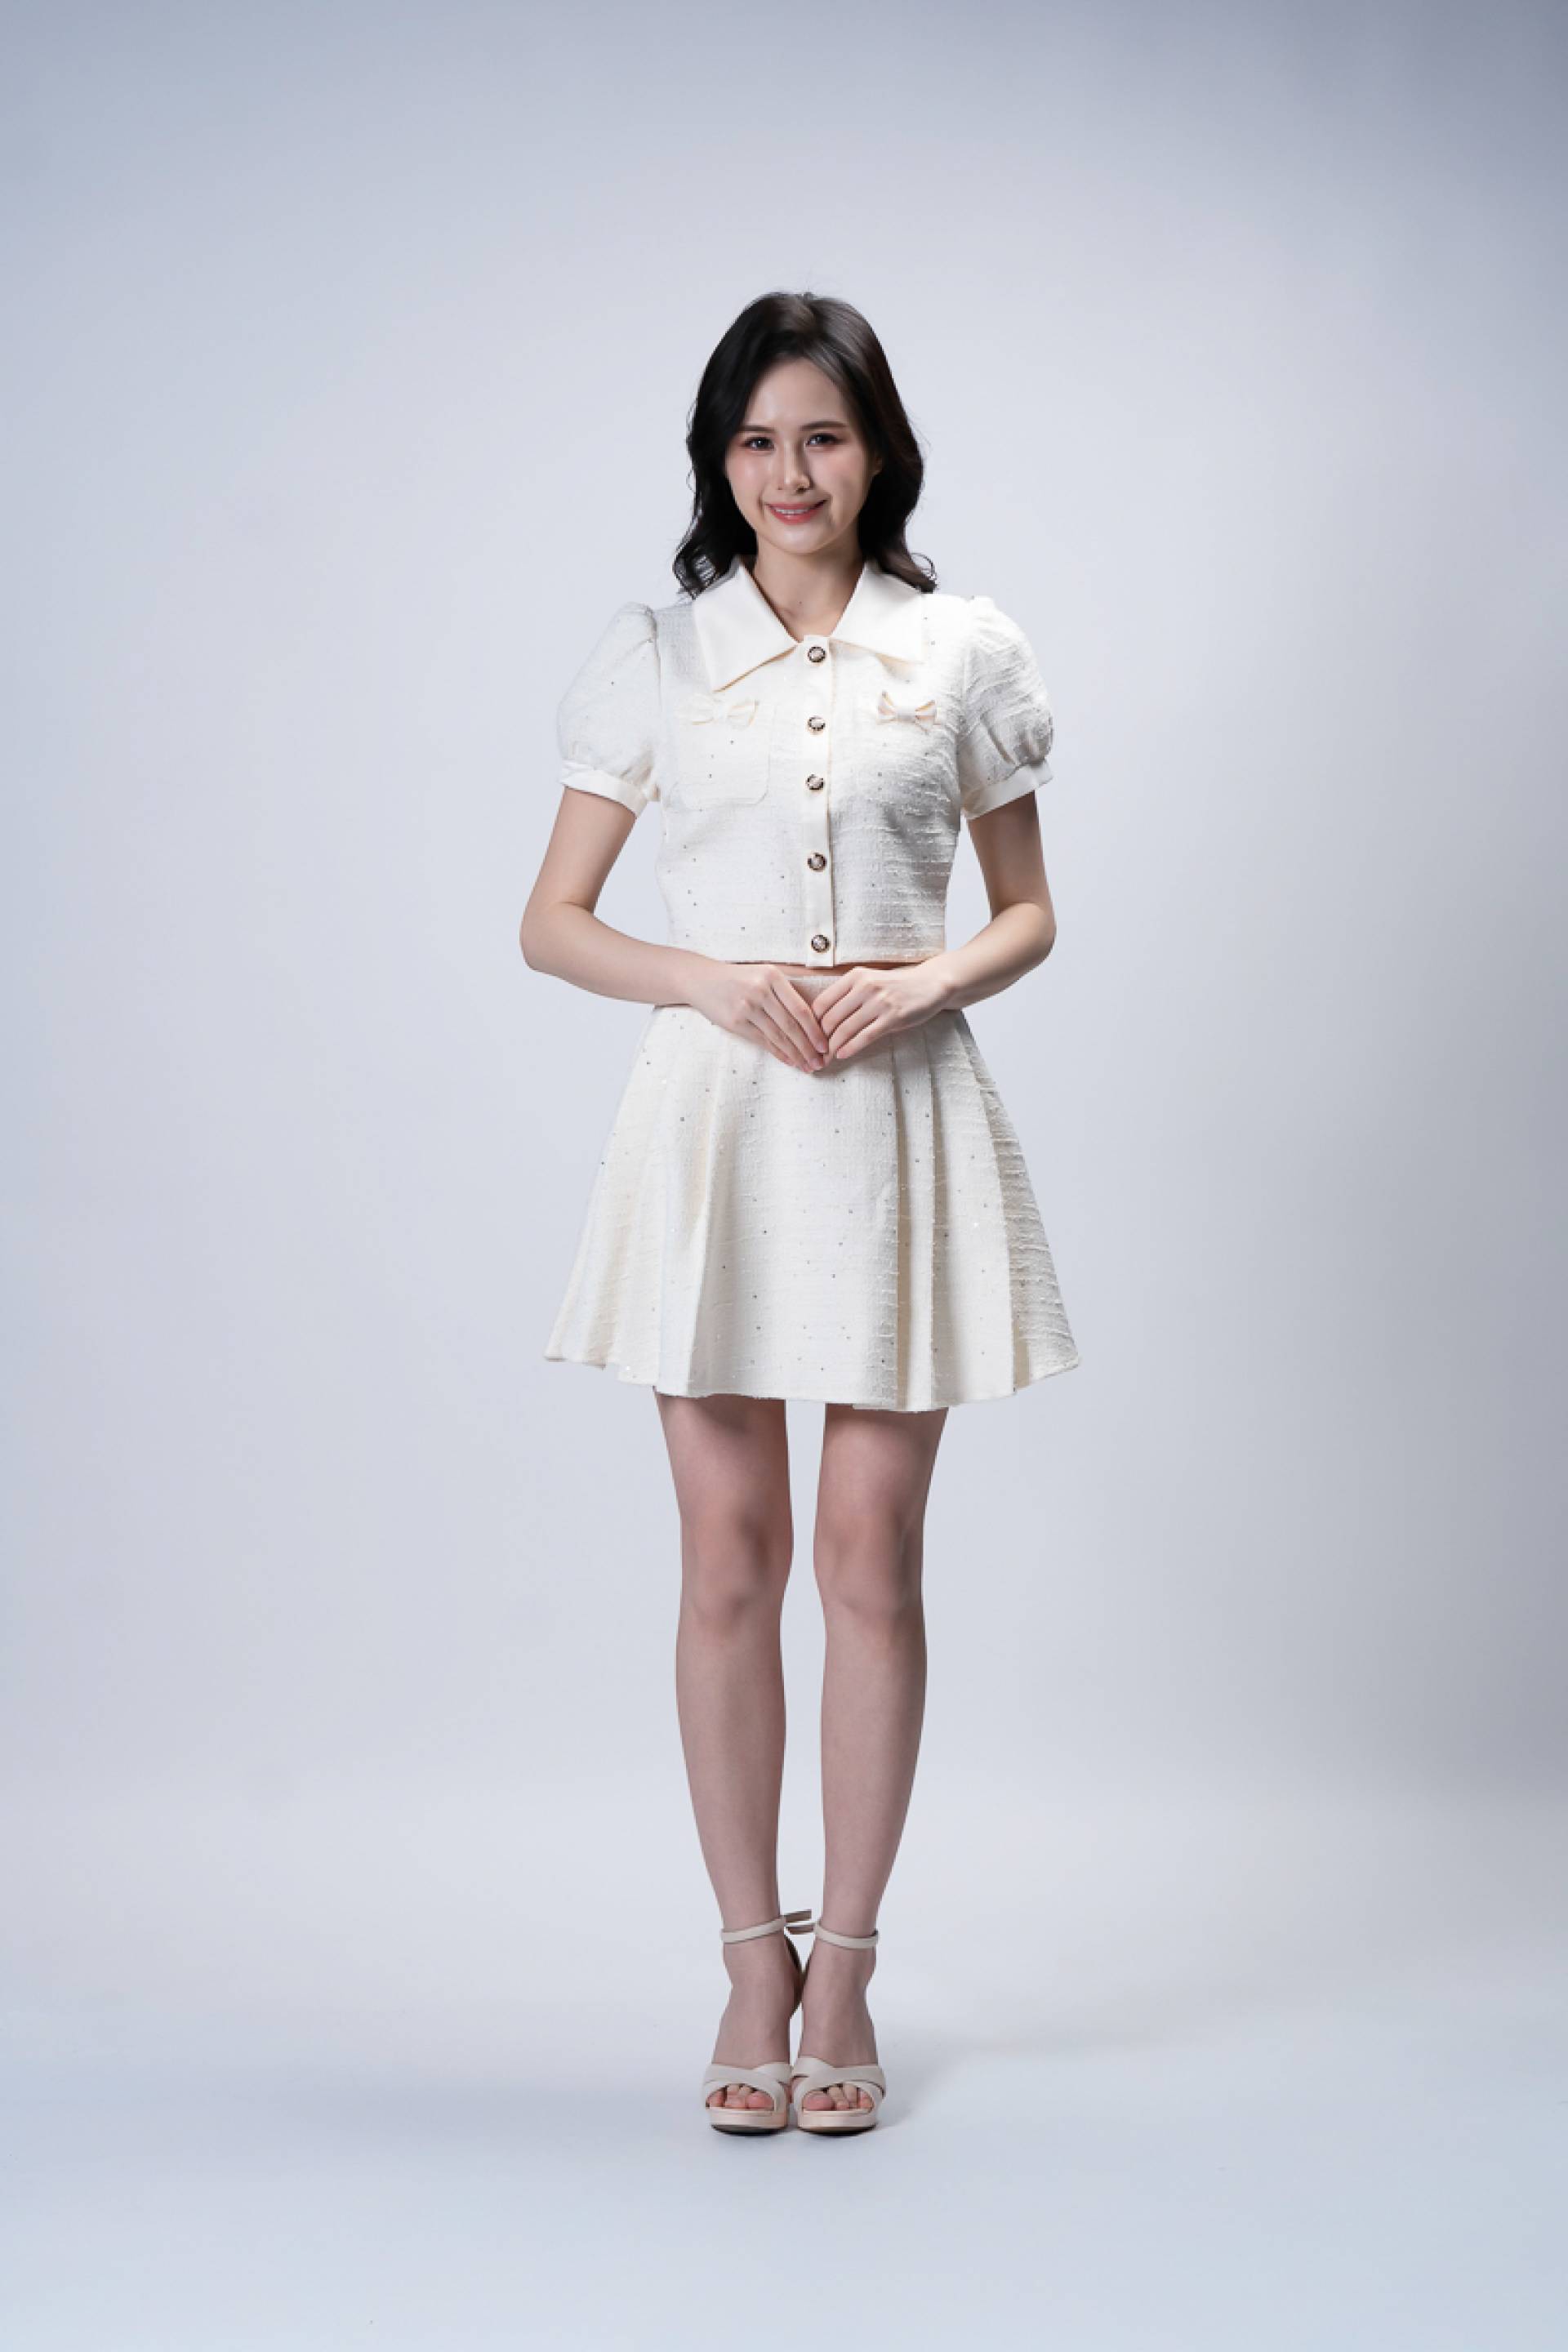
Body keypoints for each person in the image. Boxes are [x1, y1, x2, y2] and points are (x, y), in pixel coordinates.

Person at [520, 291, 1080, 2136]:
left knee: (869, 1559)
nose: (789, 472)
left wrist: (925, 982)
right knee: (728, 1560)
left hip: (899, 1116)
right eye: (756, 441)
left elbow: (1027, 911)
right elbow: (553, 921)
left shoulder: (961, 649)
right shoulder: (661, 656)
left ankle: (845, 1964)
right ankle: (747, 1964)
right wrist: (709, 978)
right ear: (719, 460)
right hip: (718, 1130)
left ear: (878, 452)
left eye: (822, 437)